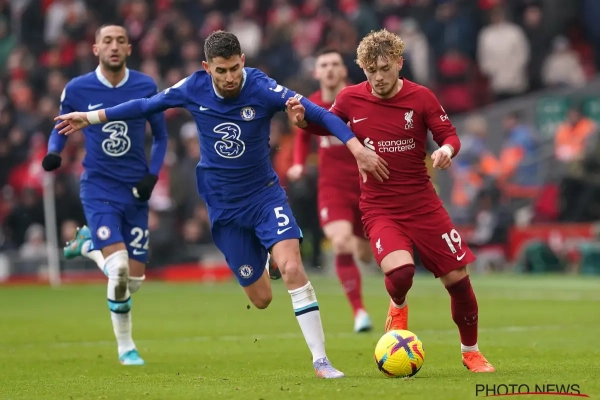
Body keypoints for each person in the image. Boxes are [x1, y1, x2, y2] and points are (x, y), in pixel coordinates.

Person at [53, 31, 388, 378]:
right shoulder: (192, 87)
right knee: (261, 299)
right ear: (207, 67)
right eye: (221, 71)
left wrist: (356, 148)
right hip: (225, 209)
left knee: (292, 268)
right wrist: (90, 117)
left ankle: (321, 361)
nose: (229, 78)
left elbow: (323, 115)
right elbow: (145, 105)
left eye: (234, 69)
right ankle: (266, 258)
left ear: (242, 60)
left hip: (264, 196)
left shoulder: (261, 87)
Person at [288, 29, 495, 373]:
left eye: (385, 69)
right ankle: (397, 303)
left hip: (424, 204)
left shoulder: (421, 97)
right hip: (380, 207)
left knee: (459, 280)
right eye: (371, 71)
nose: (379, 77)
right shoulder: (351, 98)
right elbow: (327, 124)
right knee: (401, 273)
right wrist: (304, 123)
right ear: (362, 69)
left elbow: (449, 135)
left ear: (399, 63)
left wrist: (445, 150)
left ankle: (471, 351)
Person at [41, 24, 168, 366]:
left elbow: (160, 137)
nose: (114, 46)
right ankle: (126, 348)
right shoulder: (77, 88)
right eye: (107, 41)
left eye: (120, 41)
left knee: (133, 281)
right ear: (96, 48)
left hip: (135, 190)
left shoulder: (145, 86)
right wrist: (54, 152)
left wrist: (152, 176)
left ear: (129, 49)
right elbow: (60, 128)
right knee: (119, 268)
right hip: (98, 186)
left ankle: (87, 246)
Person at [287, 48, 373, 333]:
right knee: (340, 243)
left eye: (335, 64)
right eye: (324, 65)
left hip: (366, 185)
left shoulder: (360, 98)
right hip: (332, 187)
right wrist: (298, 164)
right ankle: (359, 312)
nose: (330, 69)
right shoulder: (311, 104)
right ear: (316, 72)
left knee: (365, 253)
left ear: (344, 70)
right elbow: (302, 137)